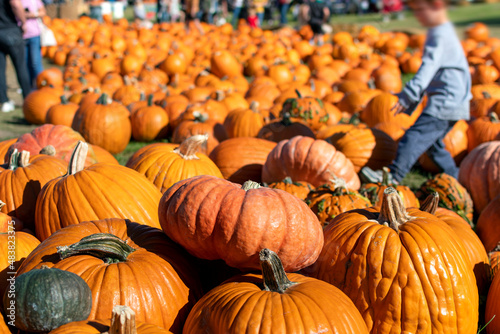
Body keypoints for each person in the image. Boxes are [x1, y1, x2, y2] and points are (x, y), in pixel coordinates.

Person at [360, 0, 471, 184]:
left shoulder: (440, 34)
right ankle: (455, 177)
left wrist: (408, 95)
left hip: (446, 102)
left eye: (421, 11)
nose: (418, 16)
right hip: (457, 101)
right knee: (433, 145)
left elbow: (428, 68)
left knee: (413, 137)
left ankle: (392, 177)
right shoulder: (445, 32)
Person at [0, 0, 31, 112]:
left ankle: (4, 101)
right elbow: (15, 4)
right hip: (10, 30)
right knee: (21, 67)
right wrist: (23, 23)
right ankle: (28, 100)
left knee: (0, 70)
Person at [21, 0, 45, 88]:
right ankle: (30, 86)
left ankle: (42, 84)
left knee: (35, 62)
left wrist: (31, 14)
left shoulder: (34, 0)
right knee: (26, 63)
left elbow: (42, 12)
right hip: (21, 35)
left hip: (34, 34)